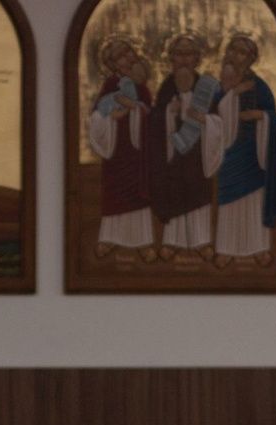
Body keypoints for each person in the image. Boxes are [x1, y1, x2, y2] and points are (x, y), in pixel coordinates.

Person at [209, 35, 276, 268]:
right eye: (233, 50)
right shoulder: (221, 87)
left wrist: (259, 115)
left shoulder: (259, 87)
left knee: (253, 203)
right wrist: (232, 95)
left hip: (253, 154)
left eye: (242, 52)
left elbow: (274, 118)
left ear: (251, 59)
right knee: (229, 203)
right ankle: (226, 249)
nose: (236, 56)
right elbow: (212, 117)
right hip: (229, 155)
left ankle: (258, 249)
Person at [146, 35, 219, 261]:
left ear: (197, 59)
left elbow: (218, 121)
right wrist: (170, 112)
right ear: (171, 59)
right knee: (175, 194)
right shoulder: (167, 87)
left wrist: (205, 120)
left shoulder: (206, 87)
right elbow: (155, 119)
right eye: (179, 54)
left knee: (198, 194)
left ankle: (200, 242)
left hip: (198, 154)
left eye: (189, 54)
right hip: (174, 155)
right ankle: (173, 241)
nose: (184, 59)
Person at [89, 38, 155, 260]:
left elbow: (149, 114)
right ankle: (110, 239)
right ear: (113, 64)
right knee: (115, 194)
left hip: (137, 153)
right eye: (121, 57)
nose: (127, 58)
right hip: (116, 151)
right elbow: (97, 115)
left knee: (137, 193)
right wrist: (109, 117)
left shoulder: (141, 87)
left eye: (129, 53)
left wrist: (134, 108)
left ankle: (142, 242)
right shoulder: (110, 85)